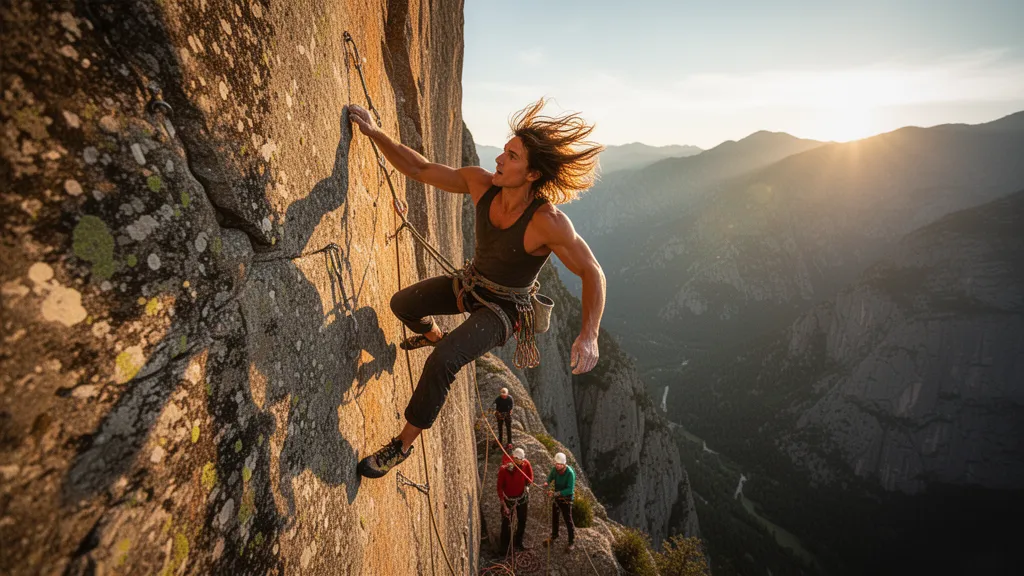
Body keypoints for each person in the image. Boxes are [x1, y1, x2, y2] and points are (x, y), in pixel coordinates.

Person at [352, 98, 607, 479]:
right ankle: (433, 333)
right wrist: (376, 133)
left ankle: (401, 445)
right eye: (504, 151)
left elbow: (593, 271)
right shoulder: (480, 183)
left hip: (504, 311)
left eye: (512, 156)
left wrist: (589, 336)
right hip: (471, 284)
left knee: (444, 361)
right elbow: (419, 168)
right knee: (402, 304)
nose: (500, 160)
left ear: (533, 174)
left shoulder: (548, 222)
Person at [497, 447, 534, 552]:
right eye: (520, 460)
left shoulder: (525, 464)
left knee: (522, 520)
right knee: (506, 523)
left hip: (522, 497)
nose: (522, 462)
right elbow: (499, 487)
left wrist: (527, 485)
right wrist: (503, 504)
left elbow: (530, 476)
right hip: (508, 500)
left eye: (522, 460)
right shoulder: (504, 469)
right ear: (514, 458)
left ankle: (518, 542)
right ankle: (504, 548)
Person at [544, 452, 576, 551]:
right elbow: (551, 476)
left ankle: (571, 542)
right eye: (556, 464)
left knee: (568, 519)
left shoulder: (570, 473)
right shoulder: (555, 470)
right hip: (558, 497)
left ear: (564, 464)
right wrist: (547, 482)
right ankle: (554, 535)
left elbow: (569, 490)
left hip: (566, 498)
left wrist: (555, 494)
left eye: (560, 464)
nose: (558, 466)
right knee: (555, 516)